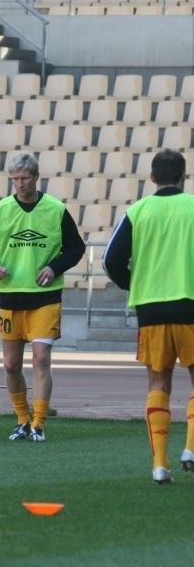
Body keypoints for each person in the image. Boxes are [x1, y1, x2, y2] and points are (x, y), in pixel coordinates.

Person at [0, 152, 85, 442]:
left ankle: (39, 422)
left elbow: (76, 248)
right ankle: (22, 419)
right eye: (14, 179)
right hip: (11, 297)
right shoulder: (0, 210)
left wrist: (54, 267)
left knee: (40, 359)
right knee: (11, 365)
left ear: (37, 178)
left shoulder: (55, 209)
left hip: (45, 297)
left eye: (24, 178)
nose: (20, 184)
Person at [103, 149, 194, 484]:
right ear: (184, 175)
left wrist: (136, 285)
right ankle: (191, 447)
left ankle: (159, 463)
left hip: (151, 310)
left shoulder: (138, 211)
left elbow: (111, 261)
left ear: (153, 178)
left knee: (159, 384)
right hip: (191, 307)